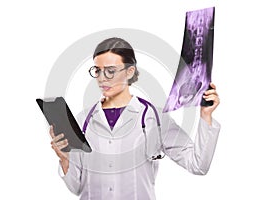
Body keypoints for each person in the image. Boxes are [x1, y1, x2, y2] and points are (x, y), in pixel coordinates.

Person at [49, 37, 220, 200]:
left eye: (110, 71)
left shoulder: (155, 118)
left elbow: (198, 165)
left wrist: (206, 116)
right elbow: (76, 187)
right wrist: (64, 158)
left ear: (130, 71)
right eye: (97, 71)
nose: (102, 78)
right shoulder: (82, 120)